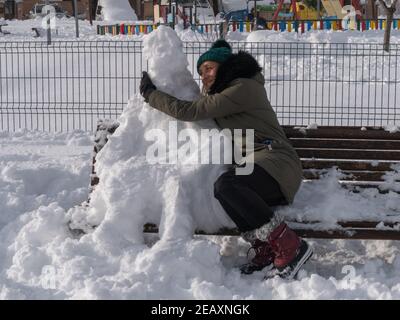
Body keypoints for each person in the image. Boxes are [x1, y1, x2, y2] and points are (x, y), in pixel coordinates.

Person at [139, 40, 312, 280]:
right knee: (223, 190)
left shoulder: (242, 87)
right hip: (260, 167)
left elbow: (191, 111)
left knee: (227, 185)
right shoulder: (227, 93)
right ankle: (267, 248)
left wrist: (151, 95)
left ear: (225, 66)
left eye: (209, 68)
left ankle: (289, 244)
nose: (205, 75)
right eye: (201, 72)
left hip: (277, 164)